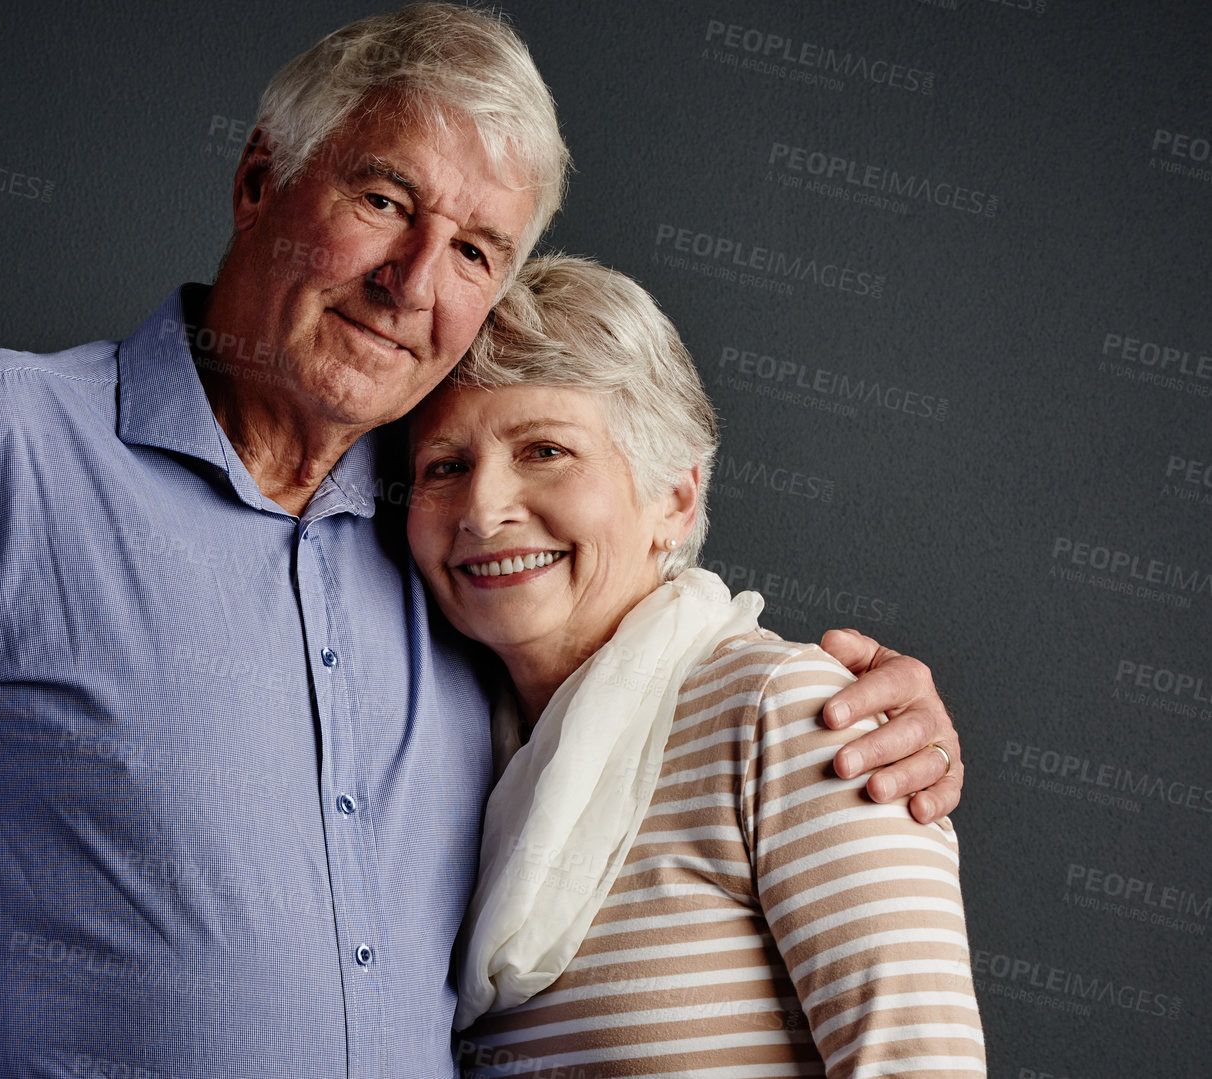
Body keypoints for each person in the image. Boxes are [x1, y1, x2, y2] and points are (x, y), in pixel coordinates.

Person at [0, 7, 967, 1077]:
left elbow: (639, 681)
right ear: (263, 175)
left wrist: (873, 725)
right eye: (384, 199)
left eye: (478, 249)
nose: (415, 283)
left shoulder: (439, 541)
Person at [410, 255, 982, 1077]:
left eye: (543, 450)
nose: (482, 509)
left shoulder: (791, 714)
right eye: (444, 466)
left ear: (674, 500)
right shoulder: (460, 760)